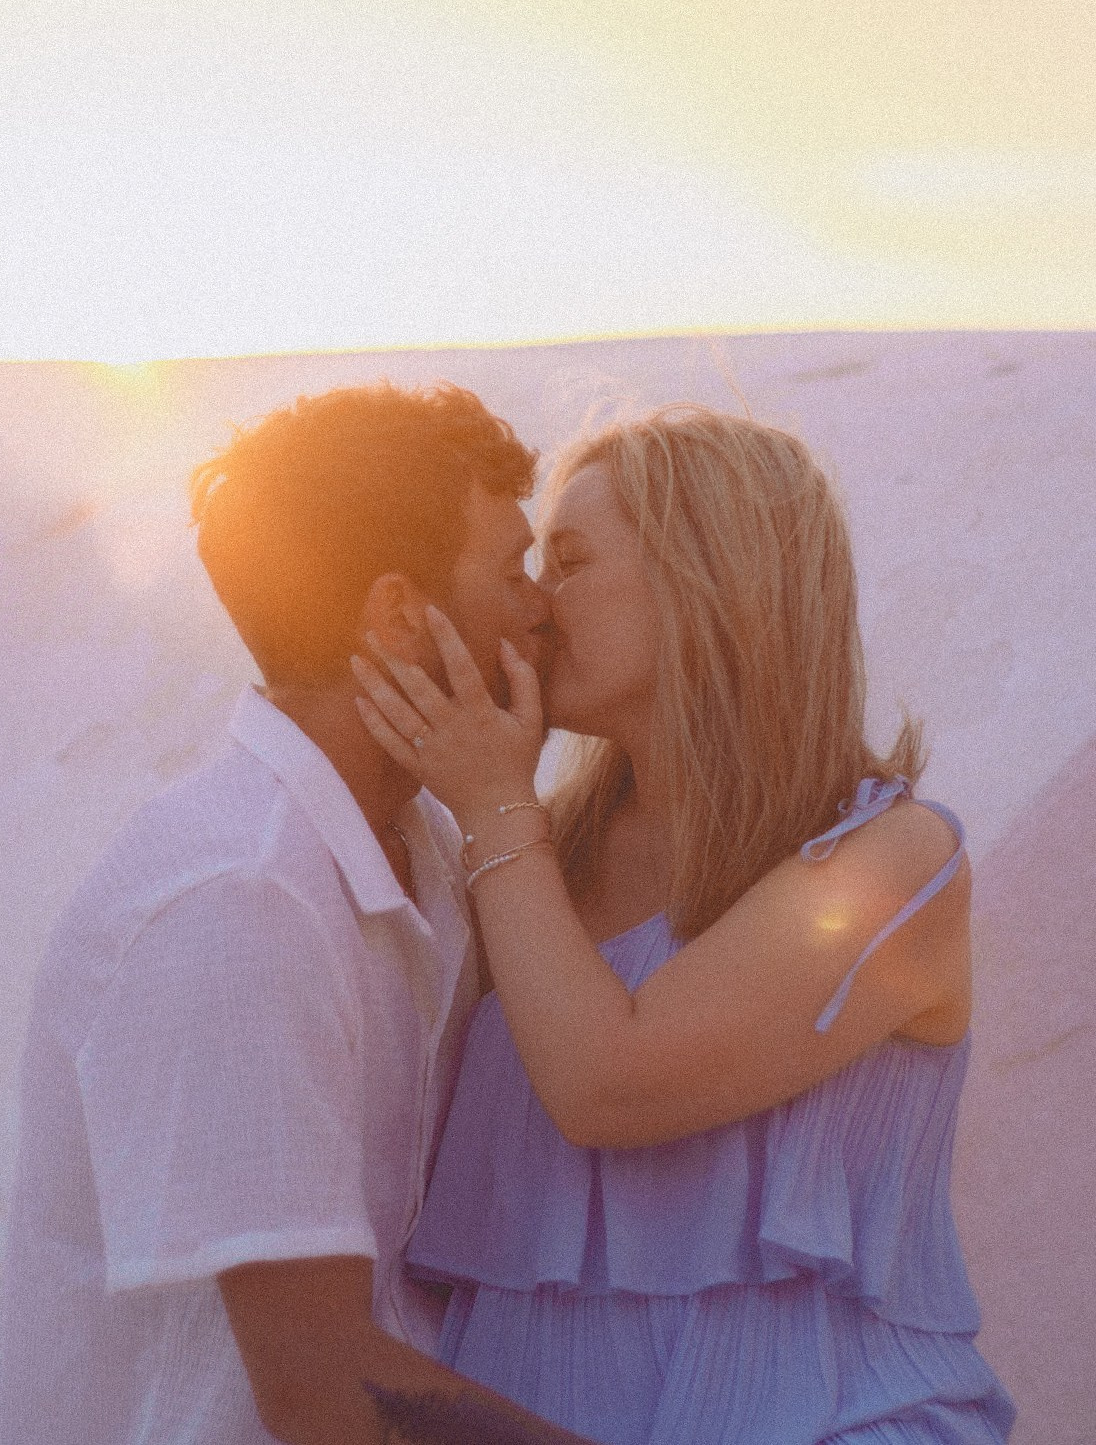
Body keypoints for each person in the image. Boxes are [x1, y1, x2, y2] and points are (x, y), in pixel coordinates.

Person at [356, 407, 1017, 1444]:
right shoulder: (534, 862)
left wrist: (491, 807)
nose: (531, 602)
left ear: (706, 579)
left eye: (568, 560)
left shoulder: (896, 863)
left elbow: (608, 1084)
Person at [0, 383, 604, 1445]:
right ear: (398, 615)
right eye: (510, 569)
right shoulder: (236, 900)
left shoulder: (428, 850)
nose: (541, 605)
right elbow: (325, 1389)